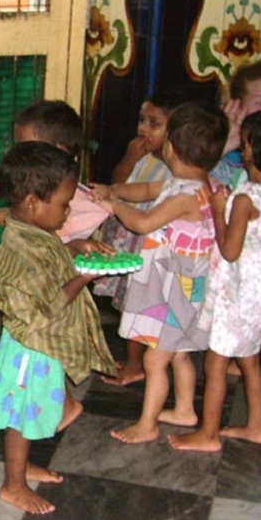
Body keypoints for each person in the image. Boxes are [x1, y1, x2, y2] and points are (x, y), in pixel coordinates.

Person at [0, 143, 116, 514]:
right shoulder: (22, 248)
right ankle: (13, 485)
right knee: (22, 417)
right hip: (30, 347)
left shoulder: (33, 231)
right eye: (64, 203)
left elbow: (50, 259)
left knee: (36, 406)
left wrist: (73, 247)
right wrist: (84, 277)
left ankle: (22, 466)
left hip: (40, 345)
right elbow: (47, 305)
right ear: (31, 202)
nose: (68, 210)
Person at [92, 103, 229, 444]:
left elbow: (142, 222)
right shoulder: (195, 184)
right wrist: (116, 191)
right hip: (180, 285)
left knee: (155, 360)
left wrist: (113, 206)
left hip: (180, 289)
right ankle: (184, 409)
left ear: (171, 147)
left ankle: (147, 424)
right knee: (179, 353)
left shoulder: (186, 195)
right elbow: (147, 191)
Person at [170, 109, 261, 452]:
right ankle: (256, 425)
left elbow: (230, 250)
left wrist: (218, 207)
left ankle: (208, 433)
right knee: (250, 358)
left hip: (244, 293)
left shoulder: (245, 198)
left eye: (244, 144)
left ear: (251, 151)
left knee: (216, 363)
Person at [94, 93, 176, 386]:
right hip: (130, 236)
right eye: (142, 121)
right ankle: (136, 361)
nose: (144, 129)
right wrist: (131, 157)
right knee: (128, 301)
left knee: (139, 303)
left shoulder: (175, 166)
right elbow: (121, 180)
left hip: (150, 240)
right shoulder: (141, 155)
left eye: (155, 123)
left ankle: (137, 363)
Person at [0, 101, 112, 246]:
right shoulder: (46, 181)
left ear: (58, 150)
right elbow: (8, 186)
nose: (21, 153)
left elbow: (23, 216)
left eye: (28, 147)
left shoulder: (69, 198)